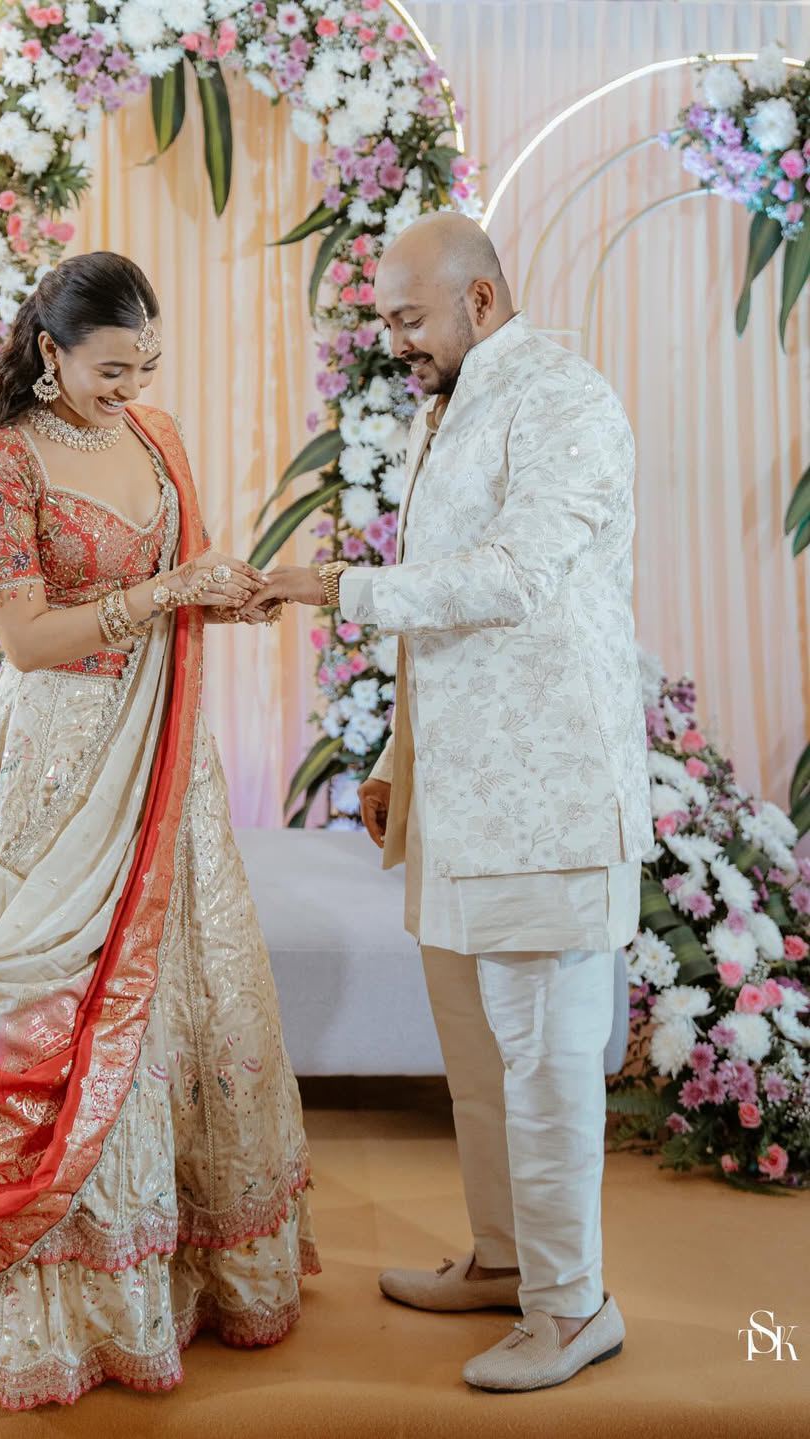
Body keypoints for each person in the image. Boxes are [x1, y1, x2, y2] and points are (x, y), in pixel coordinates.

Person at [0, 252, 318, 1408]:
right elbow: (28, 640)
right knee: (48, 1004)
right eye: (112, 365)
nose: (134, 382)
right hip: (55, 760)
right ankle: (32, 1294)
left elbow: (179, 578)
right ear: (49, 351)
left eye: (147, 361)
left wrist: (244, 592)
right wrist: (168, 591)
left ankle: (170, 1272)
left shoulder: (156, 437)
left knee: (170, 996)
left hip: (162, 754)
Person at [243, 213, 652, 1393]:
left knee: (549, 1058)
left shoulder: (565, 399)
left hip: (551, 797)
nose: (396, 342)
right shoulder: (451, 406)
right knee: (480, 1059)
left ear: (479, 301)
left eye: (408, 319)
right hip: (462, 800)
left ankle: (574, 1308)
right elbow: (451, 635)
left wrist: (330, 583)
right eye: (384, 321)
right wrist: (392, 762)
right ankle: (507, 1260)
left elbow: (514, 581)